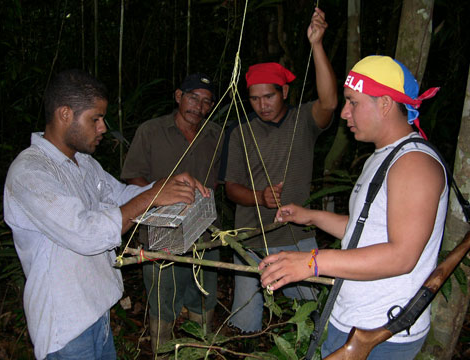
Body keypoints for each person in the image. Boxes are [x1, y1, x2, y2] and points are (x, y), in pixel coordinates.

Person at [3, 69, 208, 360]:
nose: (102, 128)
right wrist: (153, 196)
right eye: (95, 119)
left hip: (97, 310)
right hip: (66, 325)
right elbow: (86, 233)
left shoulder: (83, 164)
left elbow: (122, 197)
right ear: (65, 114)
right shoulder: (31, 172)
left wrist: (167, 187)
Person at [259, 55, 446, 359]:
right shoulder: (383, 157)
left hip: (383, 334)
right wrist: (310, 216)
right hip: (353, 320)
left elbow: (402, 256)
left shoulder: (414, 164)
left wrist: (311, 263)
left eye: (353, 102)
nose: (345, 112)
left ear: (384, 104)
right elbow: (366, 229)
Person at [220, 8, 337, 333]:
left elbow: (329, 103)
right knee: (245, 320)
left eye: (269, 96)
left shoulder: (303, 121)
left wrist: (316, 44)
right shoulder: (241, 132)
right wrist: (260, 197)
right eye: (254, 98)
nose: (262, 104)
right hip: (252, 236)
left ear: (284, 92)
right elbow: (230, 188)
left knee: (315, 310)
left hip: (297, 233)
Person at [120, 73, 222, 352]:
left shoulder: (215, 134)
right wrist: (162, 197)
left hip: (204, 232)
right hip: (160, 229)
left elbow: (221, 180)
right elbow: (133, 178)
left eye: (206, 101)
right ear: (178, 96)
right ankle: (163, 351)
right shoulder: (151, 131)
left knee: (203, 295)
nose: (198, 106)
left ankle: (197, 351)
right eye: (192, 97)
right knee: (163, 298)